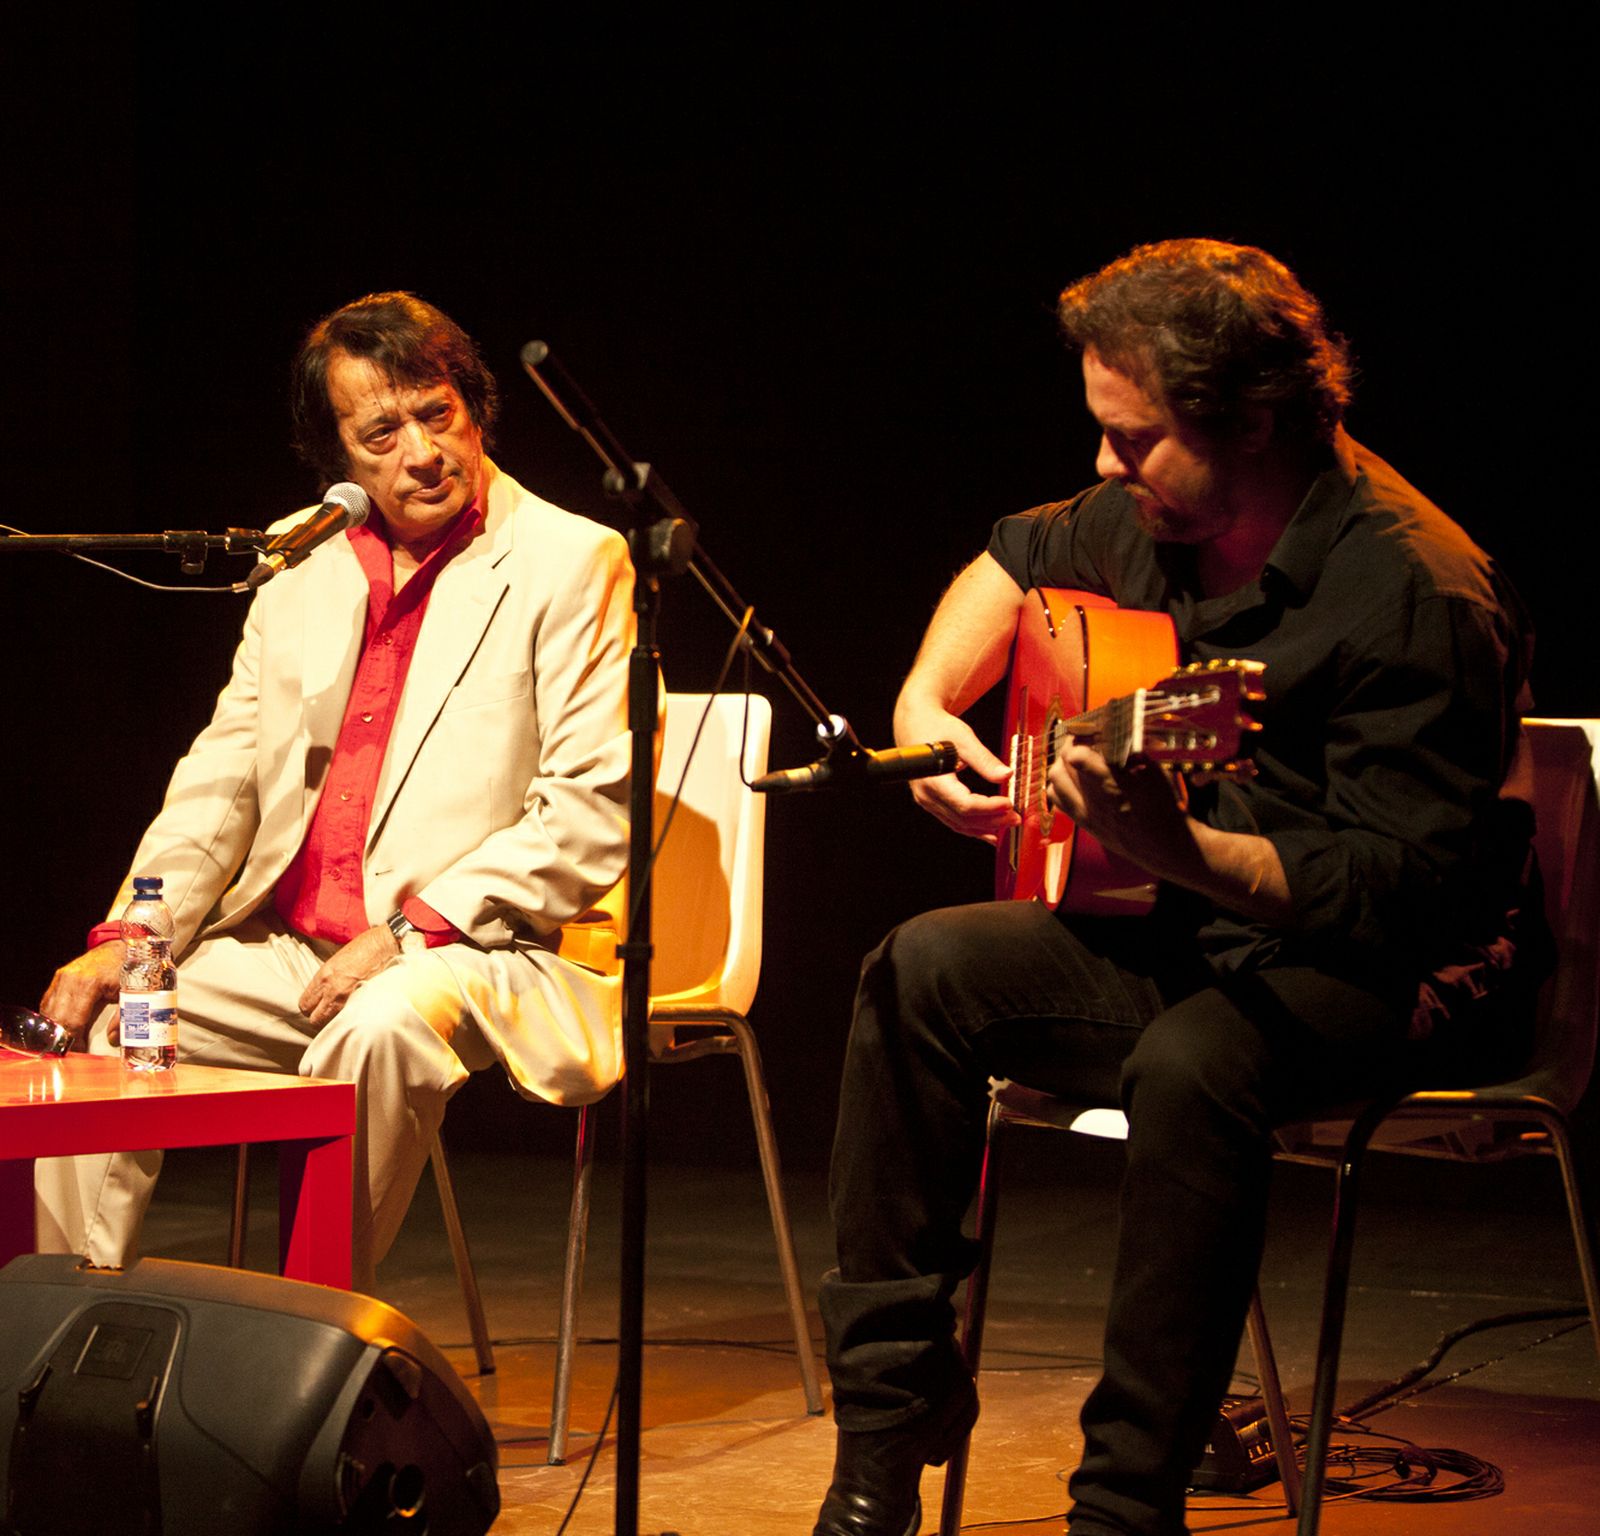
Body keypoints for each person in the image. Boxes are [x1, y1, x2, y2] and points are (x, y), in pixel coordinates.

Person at [812, 240, 1544, 1536]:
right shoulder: (1157, 517)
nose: (1105, 466)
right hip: (1187, 923)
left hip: (1385, 975)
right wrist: (927, 701)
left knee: (1194, 1068)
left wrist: (1182, 854)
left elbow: (1406, 900)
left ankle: (1126, 1500)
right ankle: (888, 1423)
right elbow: (1014, 554)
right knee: (920, 968)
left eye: (1134, 438)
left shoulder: (1416, 591)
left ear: (1251, 423)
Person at [36, 292, 634, 1292]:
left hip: (478, 947)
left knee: (382, 1022)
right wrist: (134, 937)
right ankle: (56, 1321)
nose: (421, 452)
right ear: (341, 460)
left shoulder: (570, 562)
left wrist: (404, 932)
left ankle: (301, 1346)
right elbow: (222, 778)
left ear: (474, 406)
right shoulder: (300, 565)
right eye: (381, 432)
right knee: (109, 1024)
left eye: (436, 413)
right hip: (289, 950)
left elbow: (588, 810)